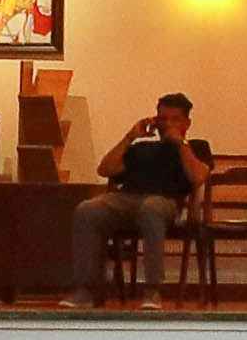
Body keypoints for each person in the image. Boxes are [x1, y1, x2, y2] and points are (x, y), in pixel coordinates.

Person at [72, 94, 205, 296]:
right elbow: (105, 170)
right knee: (87, 210)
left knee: (151, 208)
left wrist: (181, 144)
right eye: (162, 119)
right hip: (126, 198)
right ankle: (86, 289)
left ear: (187, 123)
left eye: (174, 119)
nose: (167, 124)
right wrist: (130, 137)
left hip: (165, 201)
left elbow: (197, 177)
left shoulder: (196, 147)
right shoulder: (141, 147)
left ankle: (152, 289)